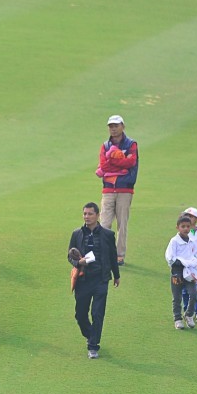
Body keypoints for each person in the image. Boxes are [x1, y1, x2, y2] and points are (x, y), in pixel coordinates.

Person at [67, 202, 120, 359]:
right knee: (80, 315)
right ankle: (91, 335)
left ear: (98, 215)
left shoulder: (108, 235)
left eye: (90, 214)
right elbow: (70, 255)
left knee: (98, 313)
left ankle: (93, 346)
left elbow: (112, 256)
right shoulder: (76, 234)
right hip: (83, 280)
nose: (87, 217)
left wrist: (116, 275)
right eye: (85, 214)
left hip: (100, 280)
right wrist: (78, 263)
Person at [96, 114, 138, 265]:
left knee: (122, 224)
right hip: (108, 189)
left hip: (125, 189)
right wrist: (120, 162)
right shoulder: (105, 145)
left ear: (122, 126)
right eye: (111, 126)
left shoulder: (131, 144)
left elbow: (131, 162)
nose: (113, 129)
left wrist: (112, 161)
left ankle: (119, 255)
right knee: (104, 223)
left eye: (116, 125)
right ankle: (103, 253)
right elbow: (104, 165)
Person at [165, 214, 197, 330]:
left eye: (187, 226)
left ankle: (189, 315)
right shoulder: (174, 241)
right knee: (177, 297)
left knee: (194, 293)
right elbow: (170, 257)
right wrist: (181, 262)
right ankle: (178, 319)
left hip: (189, 272)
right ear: (178, 228)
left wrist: (192, 263)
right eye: (183, 226)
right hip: (177, 272)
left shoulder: (192, 241)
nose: (186, 229)